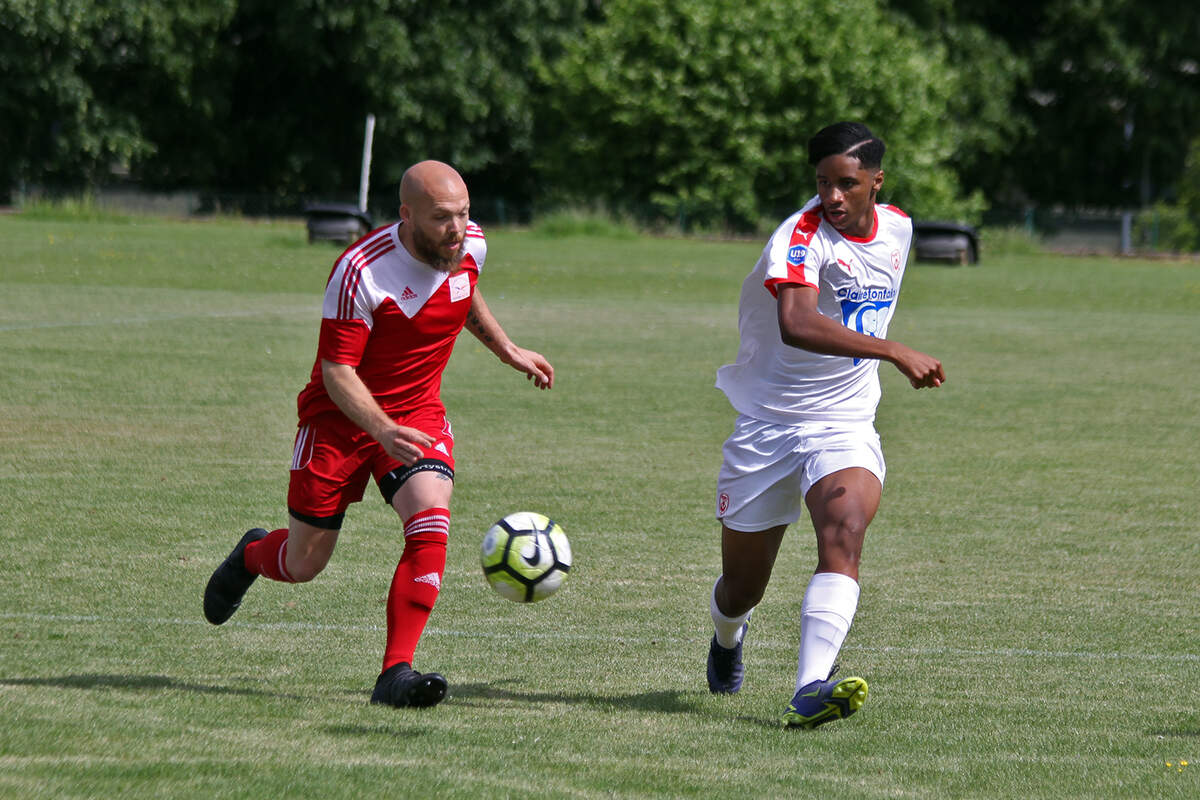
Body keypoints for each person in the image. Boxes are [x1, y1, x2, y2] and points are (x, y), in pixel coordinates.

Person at [203, 160, 554, 709]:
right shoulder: (360, 271)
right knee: (304, 564)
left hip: (418, 412)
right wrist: (381, 429)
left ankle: (396, 673)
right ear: (406, 214)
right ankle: (252, 555)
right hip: (339, 421)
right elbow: (336, 371)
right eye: (442, 218)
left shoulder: (470, 244)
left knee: (430, 517)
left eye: (464, 214)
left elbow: (462, 290)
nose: (457, 229)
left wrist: (507, 349)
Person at [705, 122, 945, 729]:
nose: (832, 197)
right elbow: (796, 323)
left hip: (844, 420)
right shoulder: (801, 236)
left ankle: (810, 687)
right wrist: (891, 350)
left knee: (845, 531)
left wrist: (877, 357)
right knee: (742, 586)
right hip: (768, 423)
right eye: (822, 184)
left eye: (847, 184)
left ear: (876, 182)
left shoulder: (898, 228)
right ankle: (727, 635)